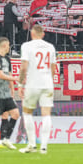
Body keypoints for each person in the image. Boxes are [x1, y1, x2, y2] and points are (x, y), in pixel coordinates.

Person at [19, 24, 58, 154]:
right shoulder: (50, 47)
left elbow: (24, 67)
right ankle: (44, 146)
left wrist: (20, 84)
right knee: (46, 114)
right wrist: (49, 80)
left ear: (32, 34)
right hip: (47, 84)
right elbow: (53, 68)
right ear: (43, 34)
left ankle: (31, 145)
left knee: (27, 113)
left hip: (32, 84)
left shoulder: (27, 46)